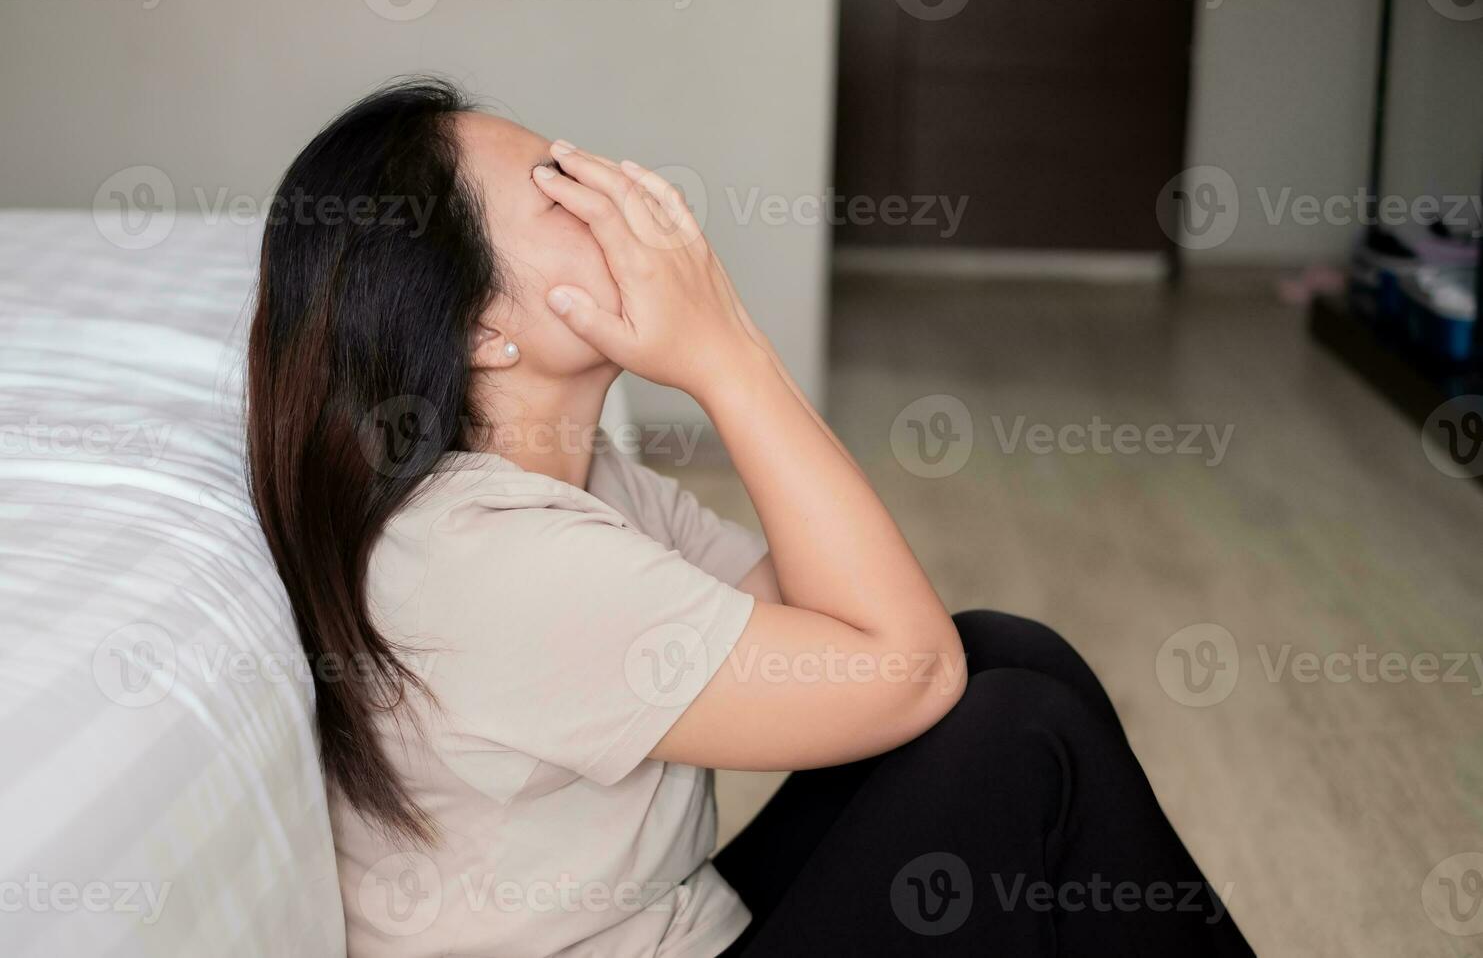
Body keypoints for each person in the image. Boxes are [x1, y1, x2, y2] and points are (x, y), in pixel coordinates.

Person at [245, 77, 1252, 957]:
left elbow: (848, 622)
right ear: (482, 330)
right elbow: (906, 670)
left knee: (1004, 653)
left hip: (688, 925)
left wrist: (728, 345)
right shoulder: (484, 557)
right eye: (556, 190)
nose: (615, 195)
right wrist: (723, 355)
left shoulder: (580, 477)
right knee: (1019, 734)